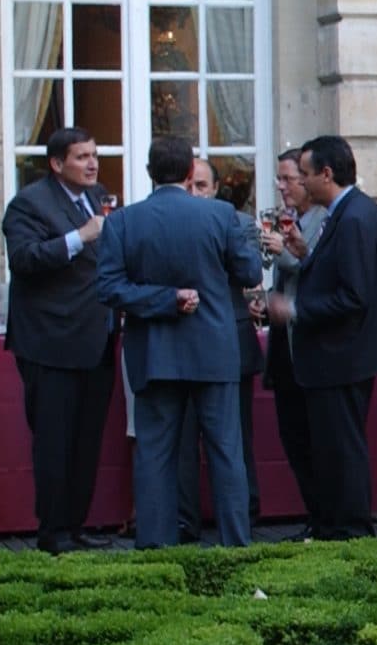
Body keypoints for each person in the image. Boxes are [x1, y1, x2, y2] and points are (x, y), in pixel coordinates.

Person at [96, 138, 263, 548]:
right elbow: (249, 270)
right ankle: (235, 544)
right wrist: (176, 296)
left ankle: (155, 548)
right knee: (226, 452)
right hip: (213, 348)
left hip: (155, 352)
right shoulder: (221, 214)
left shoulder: (123, 222)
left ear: (151, 172)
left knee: (155, 455)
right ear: (191, 172)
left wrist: (162, 300)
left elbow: (109, 288)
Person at [263, 135, 377, 541]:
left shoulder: (355, 216)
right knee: (331, 447)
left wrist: (296, 310)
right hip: (337, 355)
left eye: (305, 175)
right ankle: (331, 525)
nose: (301, 183)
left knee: (342, 449)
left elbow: (353, 295)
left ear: (327, 173)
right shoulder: (345, 213)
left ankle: (349, 529)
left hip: (343, 354)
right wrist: (307, 255)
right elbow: (339, 273)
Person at [2, 127, 119, 553]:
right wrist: (79, 237)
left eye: (94, 154)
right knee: (54, 440)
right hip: (51, 341)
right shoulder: (29, 204)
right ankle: (52, 531)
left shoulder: (98, 194)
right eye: (81, 157)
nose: (92, 164)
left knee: (86, 440)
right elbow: (24, 260)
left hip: (97, 336)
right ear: (56, 164)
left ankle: (75, 524)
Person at [179, 159, 263, 538]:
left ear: (214, 189)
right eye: (189, 185)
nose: (195, 193)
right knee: (182, 437)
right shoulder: (168, 222)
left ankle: (244, 512)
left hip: (230, 336)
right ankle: (185, 519)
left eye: (201, 185)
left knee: (235, 435)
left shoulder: (238, 223)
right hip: (179, 338)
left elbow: (249, 273)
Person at [258, 148, 333, 539]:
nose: (282, 186)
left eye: (289, 178)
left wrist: (283, 252)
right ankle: (314, 516)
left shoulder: (324, 218)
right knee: (294, 436)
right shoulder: (296, 218)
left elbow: (314, 267)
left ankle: (323, 519)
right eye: (280, 179)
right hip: (285, 344)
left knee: (313, 438)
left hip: (310, 341)